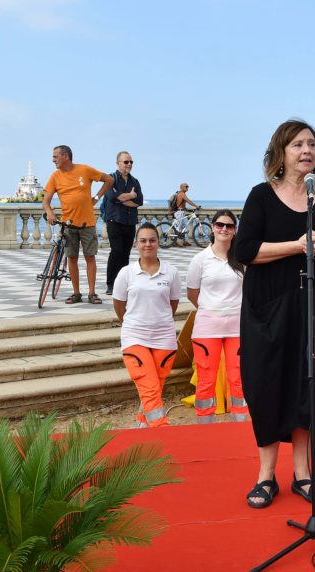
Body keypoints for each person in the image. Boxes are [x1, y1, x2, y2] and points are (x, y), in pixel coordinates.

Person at [235, 119, 315, 509]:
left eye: (311, 145)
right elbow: (245, 250)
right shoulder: (260, 196)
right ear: (281, 153)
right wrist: (296, 246)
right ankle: (265, 475)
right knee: (267, 385)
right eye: (298, 145)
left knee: (309, 385)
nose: (307, 151)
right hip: (269, 309)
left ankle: (303, 473)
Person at [112, 223, 181, 427]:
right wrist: (132, 322)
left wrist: (159, 320)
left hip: (164, 337)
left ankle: (141, 428)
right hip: (135, 336)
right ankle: (161, 429)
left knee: (155, 387)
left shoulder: (171, 272)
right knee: (149, 387)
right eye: (143, 240)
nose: (148, 244)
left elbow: (173, 303)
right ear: (136, 244)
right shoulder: (126, 273)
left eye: (152, 240)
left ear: (158, 242)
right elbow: (119, 305)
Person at [186, 209, 247, 424]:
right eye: (220, 225)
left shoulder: (242, 259)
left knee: (238, 378)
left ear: (235, 230)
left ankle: (240, 424)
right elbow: (192, 293)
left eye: (229, 226)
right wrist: (211, 309)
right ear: (212, 228)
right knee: (206, 380)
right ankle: (205, 426)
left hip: (237, 328)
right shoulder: (200, 259)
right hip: (207, 329)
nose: (224, 229)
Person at [42, 145, 114, 304]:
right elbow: (46, 201)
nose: (53, 160)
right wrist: (50, 212)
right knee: (72, 258)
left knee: (90, 257)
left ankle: (92, 293)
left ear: (66, 156)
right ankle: (76, 293)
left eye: (55, 156)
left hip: (87, 223)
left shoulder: (85, 170)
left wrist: (96, 198)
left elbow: (109, 179)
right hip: (68, 224)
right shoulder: (55, 176)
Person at [103, 151, 143, 296]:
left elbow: (139, 201)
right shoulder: (110, 179)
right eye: (126, 162)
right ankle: (111, 284)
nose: (129, 164)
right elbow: (112, 197)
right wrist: (130, 195)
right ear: (118, 163)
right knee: (116, 251)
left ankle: (122, 283)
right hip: (114, 220)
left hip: (130, 221)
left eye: (131, 162)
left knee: (125, 254)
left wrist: (121, 199)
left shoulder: (135, 181)